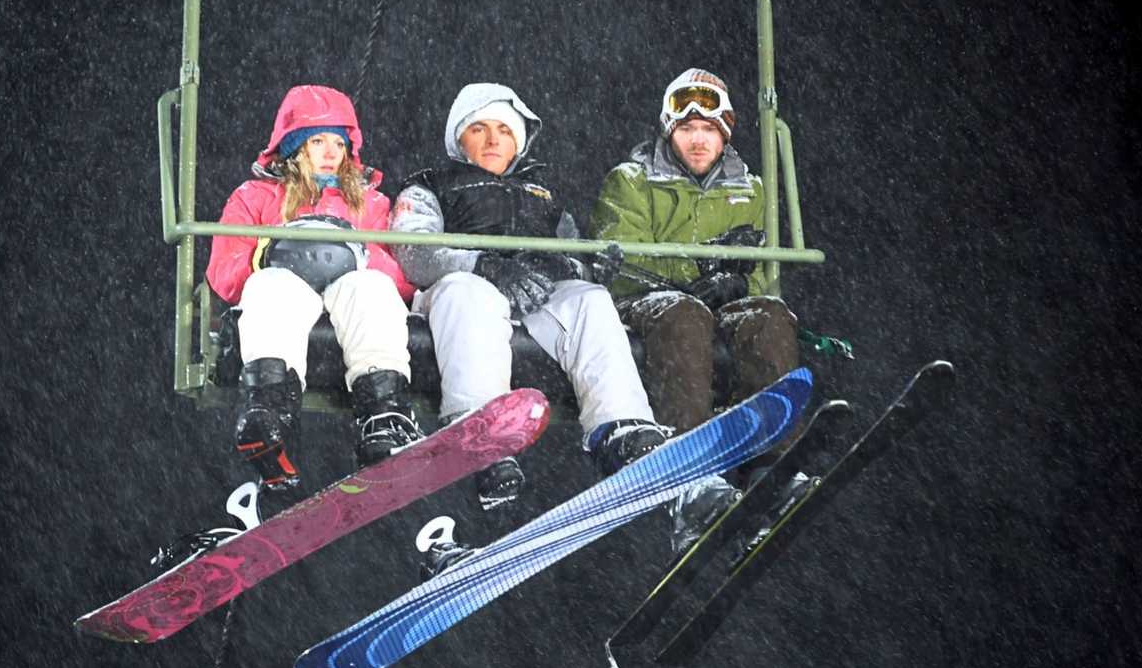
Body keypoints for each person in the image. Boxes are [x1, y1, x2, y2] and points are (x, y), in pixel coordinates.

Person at [390, 82, 669, 513]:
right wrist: (481, 264)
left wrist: (576, 267)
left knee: (590, 300)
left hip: (532, 295)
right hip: (461, 290)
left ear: (518, 139)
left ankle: (621, 426)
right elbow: (414, 252)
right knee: (472, 297)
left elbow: (572, 254)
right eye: (478, 129)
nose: (492, 139)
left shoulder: (543, 195)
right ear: (459, 139)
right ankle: (479, 428)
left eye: (503, 129)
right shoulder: (432, 185)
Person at [590, 67, 800, 550]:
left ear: (724, 133)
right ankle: (691, 469)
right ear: (670, 131)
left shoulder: (749, 190)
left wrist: (736, 279)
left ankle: (770, 463)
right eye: (687, 129)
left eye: (709, 130)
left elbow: (763, 273)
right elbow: (622, 256)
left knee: (767, 318)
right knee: (684, 315)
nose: (699, 140)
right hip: (646, 301)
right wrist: (701, 270)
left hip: (714, 307)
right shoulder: (633, 181)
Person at [206, 84, 419, 491]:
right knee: (271, 287)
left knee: (371, 288)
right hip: (290, 288)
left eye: (337, 143)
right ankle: (267, 408)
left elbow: (401, 277)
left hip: (348, 290)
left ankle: (383, 411)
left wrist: (351, 253)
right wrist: (270, 255)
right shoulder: (256, 198)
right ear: (294, 147)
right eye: (316, 141)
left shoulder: (370, 204)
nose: (328, 152)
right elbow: (226, 270)